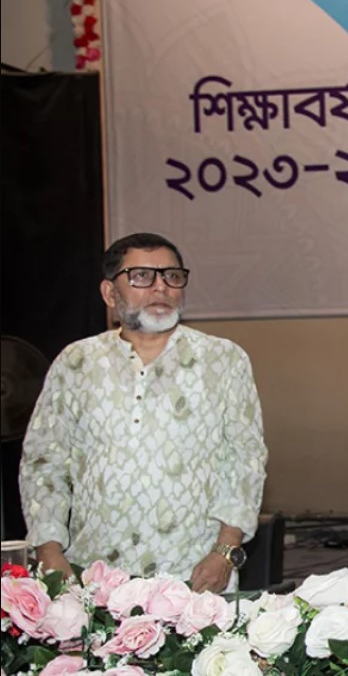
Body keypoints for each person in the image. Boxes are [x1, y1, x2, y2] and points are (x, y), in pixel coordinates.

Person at [20, 233, 267, 591]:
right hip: (94, 574)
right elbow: (43, 460)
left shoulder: (223, 360)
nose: (161, 288)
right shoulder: (77, 362)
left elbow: (246, 460)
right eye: (141, 276)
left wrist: (225, 553)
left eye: (172, 276)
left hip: (195, 571)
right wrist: (48, 550)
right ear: (109, 293)